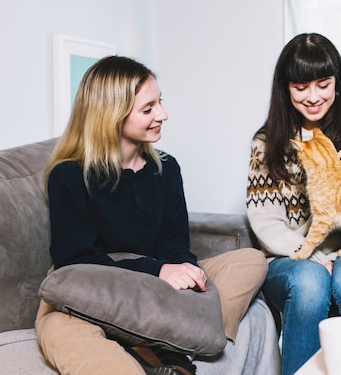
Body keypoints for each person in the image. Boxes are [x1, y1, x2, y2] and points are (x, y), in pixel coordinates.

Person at [35, 55, 271, 375]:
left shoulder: (166, 168)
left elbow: (174, 242)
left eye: (159, 102)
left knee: (251, 261)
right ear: (111, 115)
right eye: (148, 109)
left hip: (156, 293)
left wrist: (183, 267)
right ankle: (150, 349)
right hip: (92, 287)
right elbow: (75, 261)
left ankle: (179, 346)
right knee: (60, 331)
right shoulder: (69, 176)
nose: (163, 114)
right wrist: (158, 270)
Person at [246, 33, 341, 375]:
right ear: (285, 89)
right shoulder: (266, 144)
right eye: (300, 87)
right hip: (291, 259)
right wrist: (313, 255)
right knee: (311, 281)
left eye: (323, 84)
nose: (313, 97)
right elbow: (266, 223)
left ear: (338, 85)